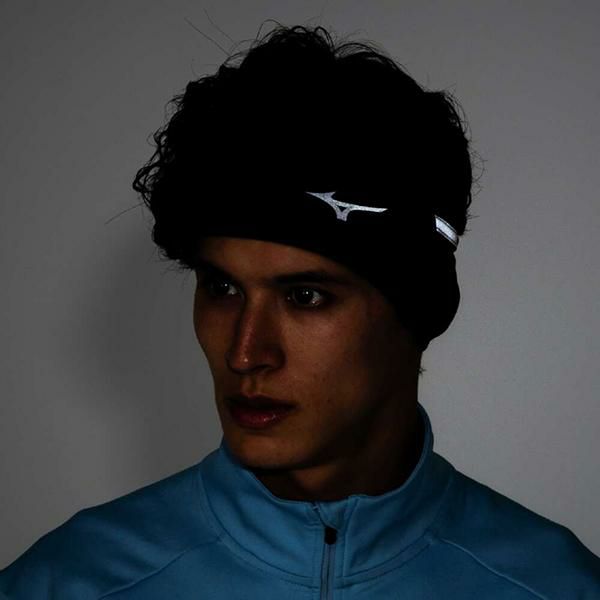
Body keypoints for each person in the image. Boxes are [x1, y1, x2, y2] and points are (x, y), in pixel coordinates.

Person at [1, 22, 598, 600]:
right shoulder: (66, 584)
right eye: (222, 288)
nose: (245, 353)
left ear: (420, 309)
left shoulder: (558, 587)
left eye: (305, 296)